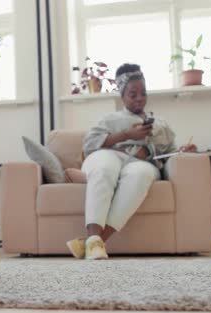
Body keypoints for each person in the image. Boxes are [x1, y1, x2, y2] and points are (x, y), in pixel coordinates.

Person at [66, 63, 197, 260]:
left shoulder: (161, 124)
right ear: (122, 96)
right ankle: (93, 238)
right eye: (132, 95)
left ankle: (93, 242)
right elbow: (90, 145)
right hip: (110, 154)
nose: (139, 99)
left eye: (143, 93)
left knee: (140, 175)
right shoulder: (111, 119)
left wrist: (182, 151)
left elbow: (169, 153)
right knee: (104, 168)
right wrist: (127, 134)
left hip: (142, 163)